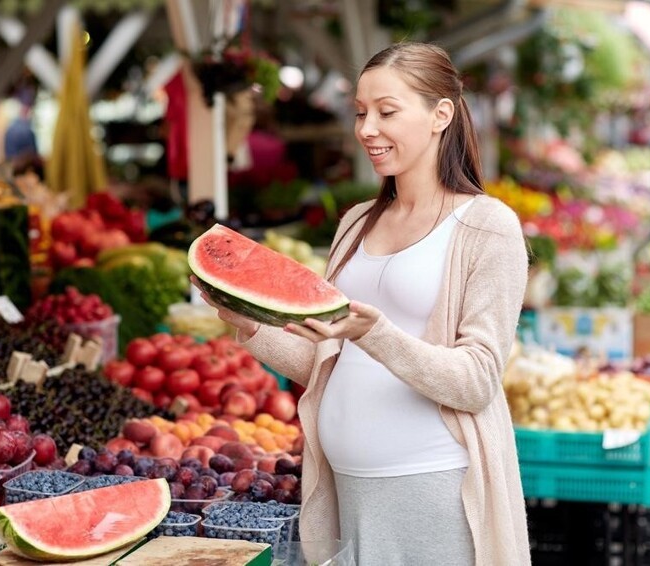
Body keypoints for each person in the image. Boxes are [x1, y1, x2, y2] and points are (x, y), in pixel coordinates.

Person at [195, 42, 530, 565]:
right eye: (360, 113)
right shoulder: (356, 222)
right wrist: (251, 325)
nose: (367, 128)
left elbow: (477, 381)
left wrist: (374, 332)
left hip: (430, 489)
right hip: (344, 486)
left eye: (386, 112)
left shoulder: (487, 227)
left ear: (441, 114)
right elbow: (327, 364)